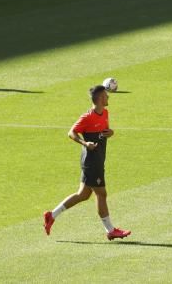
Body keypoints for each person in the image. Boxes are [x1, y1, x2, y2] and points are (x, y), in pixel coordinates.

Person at [44, 84, 131, 241]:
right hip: (91, 161)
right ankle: (110, 230)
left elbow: (106, 131)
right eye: (106, 95)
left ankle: (52, 215)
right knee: (101, 193)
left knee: (83, 194)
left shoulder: (105, 113)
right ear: (99, 99)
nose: (108, 97)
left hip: (98, 159)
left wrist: (111, 132)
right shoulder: (87, 117)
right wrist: (85, 143)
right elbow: (71, 132)